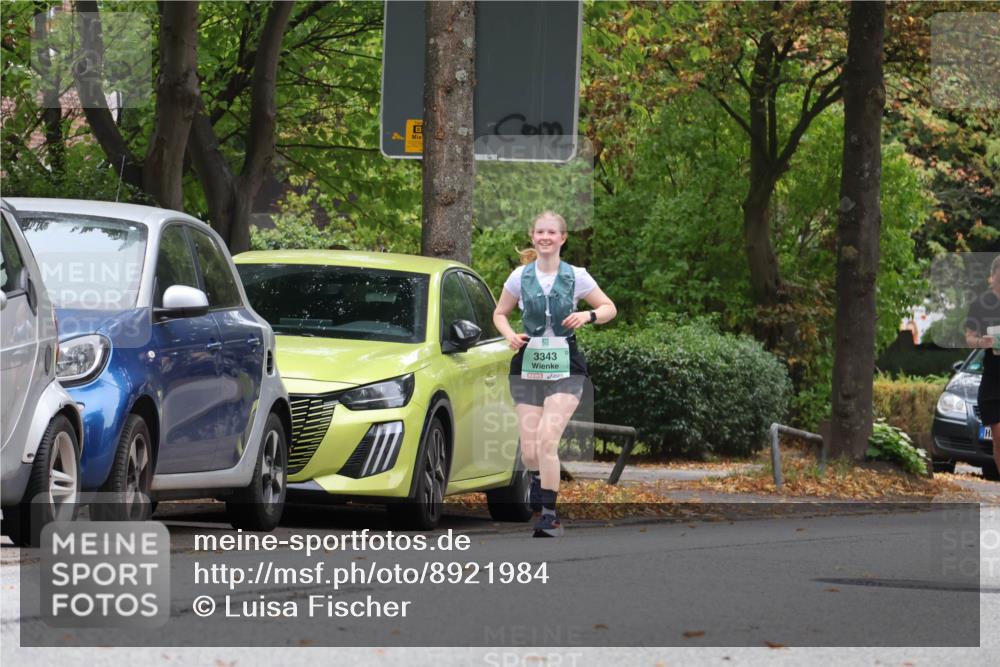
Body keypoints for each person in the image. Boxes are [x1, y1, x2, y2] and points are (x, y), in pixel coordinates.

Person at [493, 210, 617, 536]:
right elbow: (500, 313)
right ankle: (538, 481)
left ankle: (549, 515)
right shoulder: (519, 277)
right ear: (532, 237)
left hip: (565, 365)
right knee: (531, 448)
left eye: (552, 233)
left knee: (548, 440)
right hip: (527, 363)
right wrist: (508, 335)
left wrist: (588, 316)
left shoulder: (577, 276)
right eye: (540, 232)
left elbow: (609, 308)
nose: (545, 237)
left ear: (563, 238)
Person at [965, 255, 1000, 479]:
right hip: (993, 378)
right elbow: (969, 337)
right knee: (998, 436)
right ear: (994, 274)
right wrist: (982, 342)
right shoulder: (981, 303)